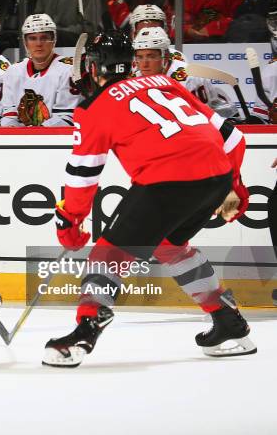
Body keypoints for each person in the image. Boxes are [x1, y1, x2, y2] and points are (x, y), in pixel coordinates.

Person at [43, 30, 255, 368]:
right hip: (215, 176)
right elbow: (233, 137)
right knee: (170, 244)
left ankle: (86, 328)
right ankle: (229, 323)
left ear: (93, 67)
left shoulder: (93, 108)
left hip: (167, 182)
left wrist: (69, 219)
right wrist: (235, 185)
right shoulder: (165, 84)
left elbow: (83, 174)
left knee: (109, 254)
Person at [127, 4, 238, 120]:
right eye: (140, 57)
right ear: (133, 33)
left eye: (151, 56)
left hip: (219, 119)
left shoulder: (185, 74)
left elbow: (203, 117)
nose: (144, 63)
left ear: (165, 57)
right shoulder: (129, 67)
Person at [1, 14, 80, 127]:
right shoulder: (13, 71)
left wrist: (35, 135)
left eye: (44, 38)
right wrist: (14, 132)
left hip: (57, 141)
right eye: (33, 38)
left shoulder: (68, 70)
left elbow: (67, 118)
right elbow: (9, 115)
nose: (38, 44)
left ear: (53, 40)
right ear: (25, 42)